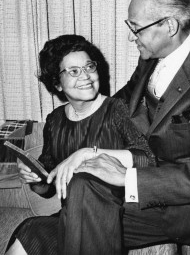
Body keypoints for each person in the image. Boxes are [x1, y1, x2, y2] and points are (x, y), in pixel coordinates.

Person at [57, 0, 190, 255]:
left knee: (75, 221)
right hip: (150, 199)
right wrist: (81, 140)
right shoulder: (149, 57)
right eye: (129, 26)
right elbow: (118, 106)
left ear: (169, 26)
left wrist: (128, 179)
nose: (131, 37)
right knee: (79, 194)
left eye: (136, 28)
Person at [5, 34, 155, 255]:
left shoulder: (118, 109)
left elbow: (148, 159)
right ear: (56, 82)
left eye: (89, 67)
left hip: (119, 216)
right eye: (74, 71)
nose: (85, 76)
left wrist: (88, 154)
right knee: (31, 230)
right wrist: (35, 178)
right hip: (70, 217)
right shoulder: (55, 121)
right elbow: (48, 183)